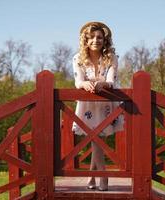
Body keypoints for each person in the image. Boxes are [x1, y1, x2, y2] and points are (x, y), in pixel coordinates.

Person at [72, 21, 123, 191]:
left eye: (99, 37)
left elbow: (110, 80)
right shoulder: (78, 58)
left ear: (104, 40)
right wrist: (84, 85)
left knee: (97, 139)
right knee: (95, 139)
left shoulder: (112, 58)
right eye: (92, 37)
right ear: (85, 40)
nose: (96, 40)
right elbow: (78, 80)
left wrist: (102, 84)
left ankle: (95, 176)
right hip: (87, 104)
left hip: (106, 103)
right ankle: (101, 176)